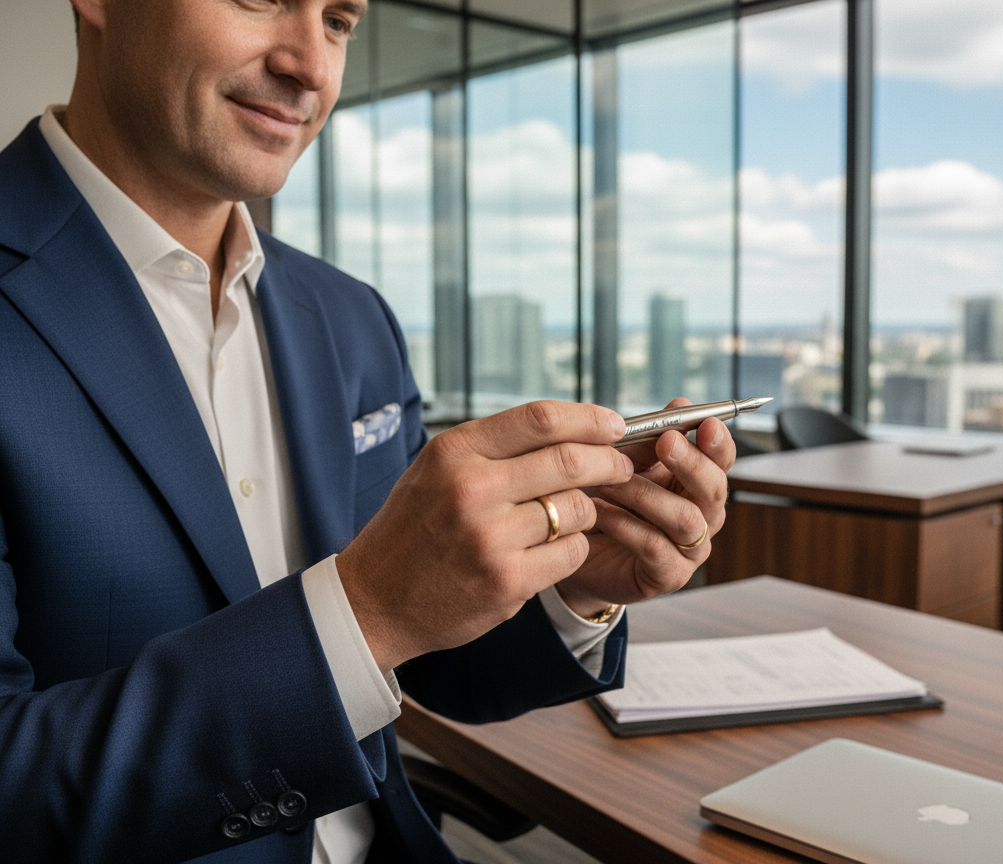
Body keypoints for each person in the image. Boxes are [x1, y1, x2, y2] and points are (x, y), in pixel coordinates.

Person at [0, 1, 734, 862]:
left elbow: (425, 659)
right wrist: (366, 609)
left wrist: (570, 586)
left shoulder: (350, 317)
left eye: (340, 20)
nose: (311, 65)